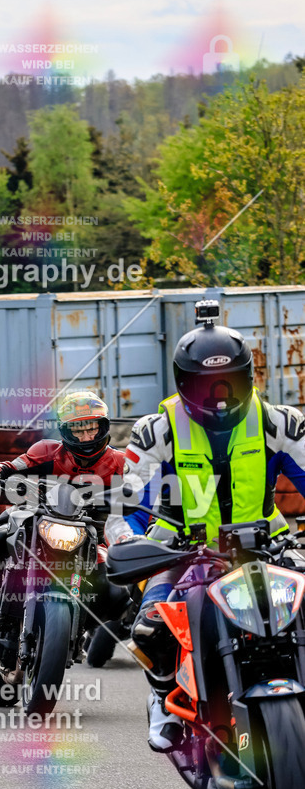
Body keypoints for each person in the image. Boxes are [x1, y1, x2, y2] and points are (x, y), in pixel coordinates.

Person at [105, 300, 305, 751]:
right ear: (182, 383)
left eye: (230, 382)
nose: (220, 396)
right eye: (206, 384)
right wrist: (130, 542)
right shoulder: (157, 431)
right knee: (151, 628)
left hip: (268, 545)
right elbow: (126, 506)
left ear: (248, 377)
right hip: (182, 552)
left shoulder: (280, 422)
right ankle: (162, 697)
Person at [0, 389, 129, 644]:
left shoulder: (120, 462)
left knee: (119, 589)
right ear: (65, 431)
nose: (85, 436)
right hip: (40, 517)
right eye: (78, 430)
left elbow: (145, 491)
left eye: (91, 429)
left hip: (94, 530)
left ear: (103, 426)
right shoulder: (47, 451)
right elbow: (11, 466)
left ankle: (81, 624)